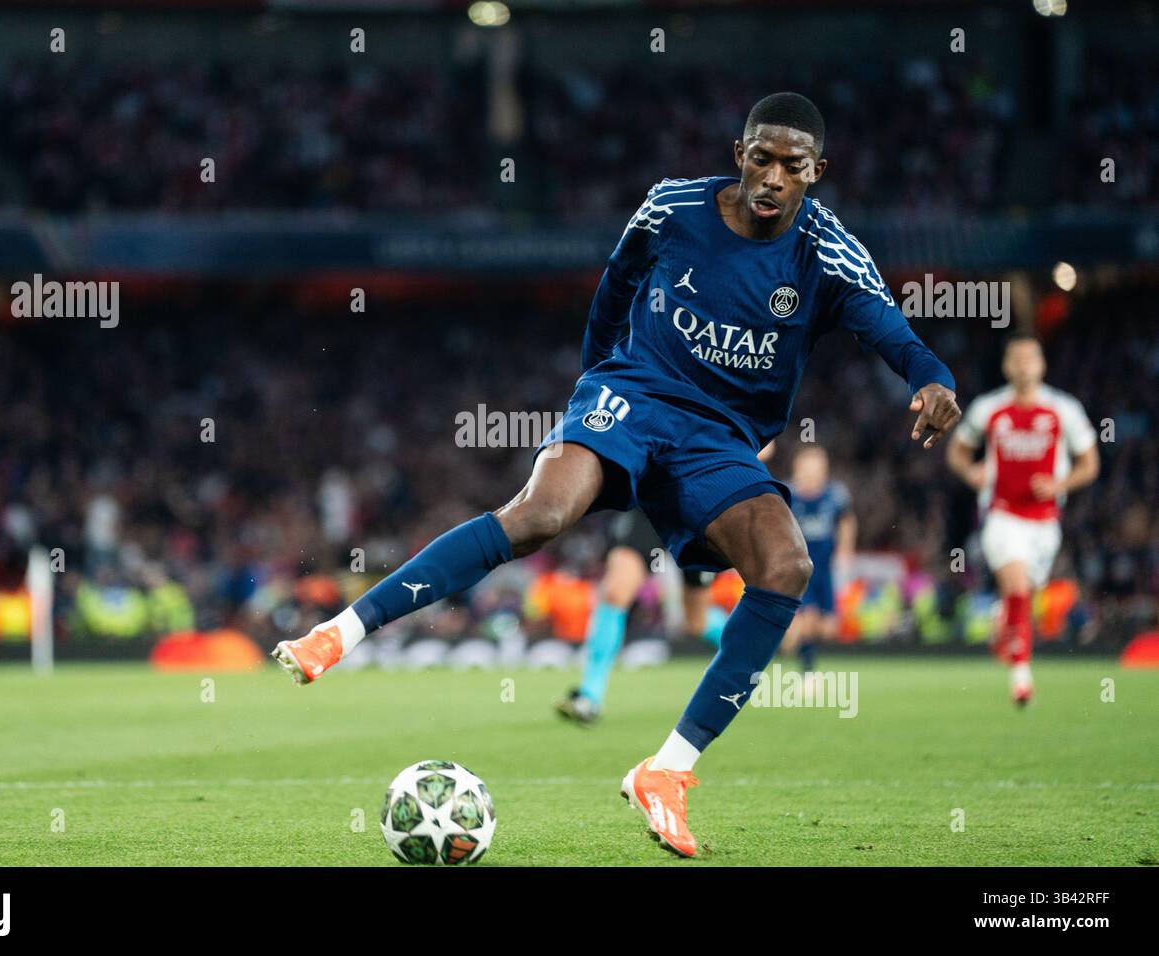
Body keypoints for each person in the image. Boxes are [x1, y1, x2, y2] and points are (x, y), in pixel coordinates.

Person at [275, 92, 961, 857]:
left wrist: (931, 380)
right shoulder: (671, 206)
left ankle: (666, 770)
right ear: (739, 155)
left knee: (787, 565)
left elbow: (892, 329)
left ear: (816, 172)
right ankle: (340, 632)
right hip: (631, 394)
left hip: (720, 439)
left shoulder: (826, 249)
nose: (772, 176)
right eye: (760, 158)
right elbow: (615, 287)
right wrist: (596, 385)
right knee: (539, 515)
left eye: (791, 166)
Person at [946, 335, 1098, 706]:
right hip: (1001, 515)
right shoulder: (988, 408)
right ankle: (1022, 677)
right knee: (1016, 586)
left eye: (1031, 358)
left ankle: (1005, 626)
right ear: (1006, 366)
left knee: (1023, 597)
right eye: (1016, 359)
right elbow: (957, 452)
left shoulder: (1064, 409)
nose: (1024, 365)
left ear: (1042, 365)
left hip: (1045, 522)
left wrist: (1059, 484)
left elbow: (1090, 464)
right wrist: (971, 474)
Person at [554, 510, 727, 726]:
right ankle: (589, 696)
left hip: (700, 512)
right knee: (615, 593)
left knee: (695, 622)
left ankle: (749, 652)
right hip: (652, 507)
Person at [778, 445, 855, 678]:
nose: (812, 475)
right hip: (800, 570)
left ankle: (783, 640)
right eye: (808, 469)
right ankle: (807, 673)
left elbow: (847, 521)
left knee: (829, 627)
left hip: (825, 570)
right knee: (808, 618)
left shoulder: (835, 495)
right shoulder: (788, 495)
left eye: (817, 469)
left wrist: (845, 549)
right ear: (797, 469)